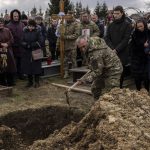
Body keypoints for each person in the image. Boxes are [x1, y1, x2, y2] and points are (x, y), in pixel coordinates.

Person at [76, 36, 123, 100]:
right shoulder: (90, 44)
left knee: (110, 93)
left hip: (113, 70)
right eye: (80, 48)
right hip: (103, 69)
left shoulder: (96, 53)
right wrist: (83, 78)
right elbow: (95, 68)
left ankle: (112, 108)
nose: (83, 49)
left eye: (84, 46)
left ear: (87, 41)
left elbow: (97, 72)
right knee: (95, 88)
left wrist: (84, 80)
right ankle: (97, 105)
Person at [105, 6, 132, 88]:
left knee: (120, 72)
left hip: (122, 52)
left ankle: (119, 89)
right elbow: (107, 37)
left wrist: (116, 49)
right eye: (114, 13)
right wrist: (112, 49)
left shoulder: (127, 25)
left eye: (117, 13)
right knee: (110, 71)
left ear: (122, 13)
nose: (115, 15)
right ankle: (111, 89)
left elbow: (126, 39)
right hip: (111, 51)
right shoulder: (110, 24)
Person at [21, 19, 43, 88]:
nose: (30, 28)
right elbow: (22, 41)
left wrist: (32, 45)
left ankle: (37, 82)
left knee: (36, 67)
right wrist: (26, 45)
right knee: (28, 67)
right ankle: (30, 82)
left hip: (36, 51)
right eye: (29, 26)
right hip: (27, 52)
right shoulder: (24, 32)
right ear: (27, 26)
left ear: (34, 26)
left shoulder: (38, 31)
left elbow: (40, 41)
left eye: (32, 26)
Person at [130, 19, 149, 91]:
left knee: (146, 78)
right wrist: (143, 45)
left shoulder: (148, 33)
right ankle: (139, 92)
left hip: (146, 59)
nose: (140, 28)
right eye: (138, 27)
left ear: (144, 25)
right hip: (136, 59)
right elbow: (133, 47)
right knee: (137, 78)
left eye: (141, 26)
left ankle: (147, 93)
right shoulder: (134, 34)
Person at [6, 9, 25, 80]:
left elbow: (24, 35)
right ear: (12, 16)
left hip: (21, 47)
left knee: (21, 62)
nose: (16, 17)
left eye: (17, 16)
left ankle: (21, 75)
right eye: (14, 16)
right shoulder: (8, 26)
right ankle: (13, 77)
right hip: (13, 47)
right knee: (13, 63)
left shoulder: (22, 24)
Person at [0, 18, 16, 86]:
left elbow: (12, 39)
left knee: (10, 67)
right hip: (0, 52)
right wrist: (1, 44)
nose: (0, 24)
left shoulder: (7, 30)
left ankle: (10, 81)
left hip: (8, 51)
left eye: (1, 23)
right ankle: (2, 82)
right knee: (2, 67)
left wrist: (7, 44)